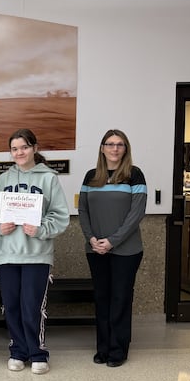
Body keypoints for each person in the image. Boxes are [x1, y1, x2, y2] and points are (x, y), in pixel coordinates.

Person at [0, 129, 69, 375]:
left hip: (37, 254)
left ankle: (37, 352)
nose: (19, 152)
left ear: (34, 147)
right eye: (14, 149)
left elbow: (61, 216)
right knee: (11, 305)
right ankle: (17, 351)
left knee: (32, 306)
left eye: (24, 147)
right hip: (8, 254)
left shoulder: (49, 178)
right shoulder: (3, 180)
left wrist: (42, 229)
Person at [78, 129, 146, 368]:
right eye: (110, 144)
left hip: (126, 250)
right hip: (95, 249)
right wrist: (92, 238)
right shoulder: (90, 176)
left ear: (125, 149)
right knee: (102, 297)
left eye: (120, 145)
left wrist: (113, 241)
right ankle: (103, 348)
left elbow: (136, 214)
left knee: (120, 297)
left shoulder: (134, 175)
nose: (115, 149)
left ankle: (118, 349)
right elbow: (83, 211)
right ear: (102, 148)